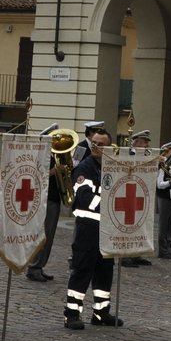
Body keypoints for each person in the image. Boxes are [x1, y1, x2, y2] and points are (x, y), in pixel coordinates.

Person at [64, 125, 123, 329]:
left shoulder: (112, 167)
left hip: (107, 228)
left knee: (105, 270)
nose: (96, 147)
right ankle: (71, 313)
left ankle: (101, 312)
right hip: (88, 227)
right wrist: (109, 202)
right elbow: (84, 198)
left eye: (101, 144)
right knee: (82, 269)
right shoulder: (84, 168)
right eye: (94, 143)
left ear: (110, 147)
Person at [27, 123, 66, 282]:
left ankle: (39, 266)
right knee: (42, 235)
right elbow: (35, 176)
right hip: (45, 200)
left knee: (48, 237)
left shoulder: (54, 156)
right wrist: (55, 171)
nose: (55, 142)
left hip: (54, 199)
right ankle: (34, 266)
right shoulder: (38, 156)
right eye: (52, 139)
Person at [118, 128, 155, 268]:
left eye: (146, 142)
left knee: (140, 224)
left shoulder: (145, 156)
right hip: (129, 192)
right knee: (128, 225)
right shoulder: (128, 155)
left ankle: (137, 254)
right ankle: (126, 256)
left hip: (142, 193)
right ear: (136, 143)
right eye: (144, 142)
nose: (146, 145)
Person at [154, 140, 171, 261]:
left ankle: (168, 248)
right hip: (164, 197)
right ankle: (162, 250)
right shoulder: (161, 166)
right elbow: (159, 184)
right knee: (163, 224)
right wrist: (170, 182)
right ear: (166, 151)